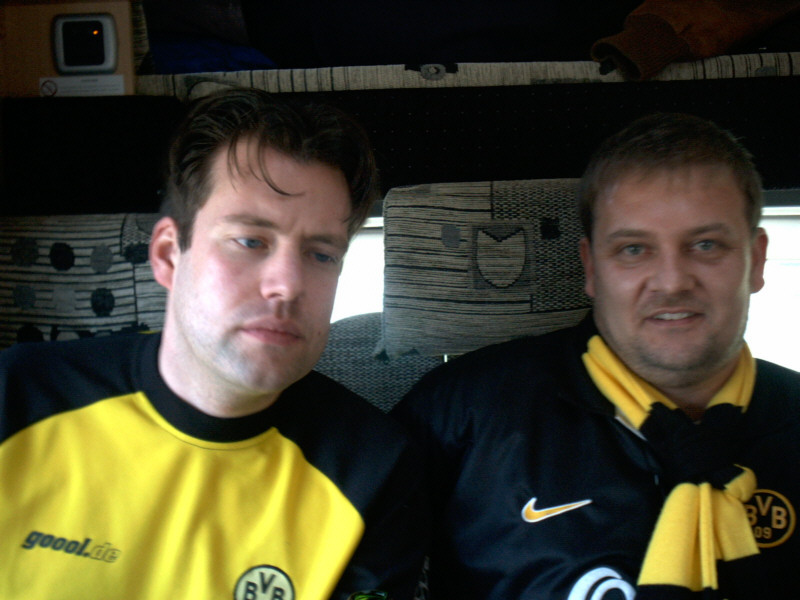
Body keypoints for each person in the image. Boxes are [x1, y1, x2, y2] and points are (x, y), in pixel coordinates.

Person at [0, 88, 427, 600]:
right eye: (250, 241)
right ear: (168, 255)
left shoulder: (375, 469)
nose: (288, 285)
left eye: (321, 255)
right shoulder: (16, 396)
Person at [392, 112, 800, 599]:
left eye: (706, 245)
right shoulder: (461, 413)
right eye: (634, 250)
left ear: (756, 260)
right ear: (590, 268)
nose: (672, 282)